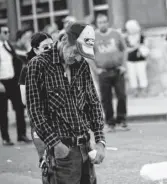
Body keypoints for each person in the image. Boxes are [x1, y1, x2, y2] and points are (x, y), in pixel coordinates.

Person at [25, 22, 106, 184]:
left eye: (81, 54)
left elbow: (93, 103)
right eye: (76, 51)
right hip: (62, 151)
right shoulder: (38, 65)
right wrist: (55, 143)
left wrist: (100, 140)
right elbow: (35, 111)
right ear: (64, 40)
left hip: (85, 147)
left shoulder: (81, 64)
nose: (77, 57)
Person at [19, 31, 53, 184]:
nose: (51, 49)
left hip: (60, 121)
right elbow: (25, 100)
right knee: (47, 161)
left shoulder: (57, 66)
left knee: (65, 162)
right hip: (40, 122)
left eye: (53, 46)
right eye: (46, 47)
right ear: (36, 50)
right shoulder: (27, 70)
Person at [91, 13, 129, 132]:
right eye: (100, 22)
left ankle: (121, 120)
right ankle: (110, 122)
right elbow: (89, 56)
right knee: (106, 98)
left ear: (108, 22)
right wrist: (96, 70)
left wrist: (124, 66)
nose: (103, 24)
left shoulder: (116, 34)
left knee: (121, 95)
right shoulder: (92, 37)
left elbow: (125, 50)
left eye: (104, 21)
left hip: (117, 70)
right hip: (103, 72)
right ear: (97, 24)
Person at [0, 25, 31, 146]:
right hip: (2, 82)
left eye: (8, 32)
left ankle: (21, 135)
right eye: (5, 32)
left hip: (13, 81)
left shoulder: (8, 46)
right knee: (3, 111)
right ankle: (6, 138)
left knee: (19, 107)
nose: (7, 34)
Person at [125, 19, 150, 97]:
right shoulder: (126, 38)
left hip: (141, 59)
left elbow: (146, 47)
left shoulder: (142, 37)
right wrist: (136, 46)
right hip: (130, 60)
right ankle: (134, 91)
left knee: (142, 74)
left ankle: (144, 91)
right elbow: (126, 50)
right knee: (132, 75)